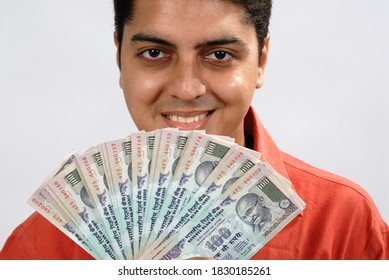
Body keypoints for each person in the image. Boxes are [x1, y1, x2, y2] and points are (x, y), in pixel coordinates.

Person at [0, 0, 388, 260]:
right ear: (119, 57)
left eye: (219, 55)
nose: (187, 89)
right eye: (155, 53)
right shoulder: (42, 247)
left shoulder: (345, 223)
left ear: (261, 62)